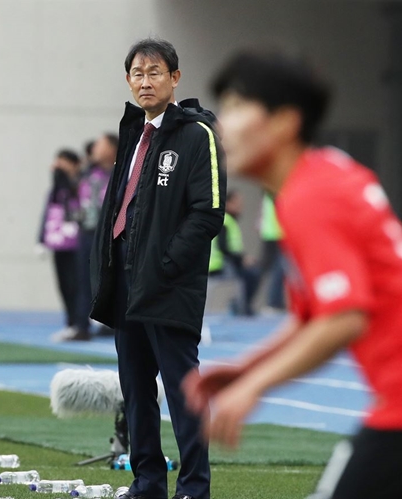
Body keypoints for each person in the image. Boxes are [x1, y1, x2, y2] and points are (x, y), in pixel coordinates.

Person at [182, 49, 402, 499]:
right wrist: (245, 368)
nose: (223, 124)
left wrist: (254, 388)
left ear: (284, 122)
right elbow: (313, 317)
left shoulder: (308, 197)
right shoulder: (326, 172)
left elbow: (345, 318)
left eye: (237, 107)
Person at [90, 38, 226, 499]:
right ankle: (147, 481)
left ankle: (193, 487)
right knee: (135, 389)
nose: (145, 81)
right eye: (137, 73)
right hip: (125, 280)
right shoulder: (132, 131)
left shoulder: (197, 134)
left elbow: (208, 212)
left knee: (182, 389)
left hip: (169, 284)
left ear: (175, 78)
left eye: (155, 72)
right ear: (128, 80)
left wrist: (167, 264)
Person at [63, 133, 118, 341]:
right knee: (82, 278)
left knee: (110, 278)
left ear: (112, 148)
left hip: (110, 231)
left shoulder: (119, 171)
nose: (95, 148)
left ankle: (110, 322)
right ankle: (81, 325)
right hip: (87, 231)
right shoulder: (88, 173)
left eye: (100, 145)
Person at [38, 149, 82, 340]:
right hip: (59, 243)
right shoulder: (56, 189)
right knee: (63, 284)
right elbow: (47, 213)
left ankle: (80, 322)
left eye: (63, 162)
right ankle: (71, 321)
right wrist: (41, 239)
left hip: (77, 244)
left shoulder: (82, 184)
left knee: (77, 285)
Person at [208, 189, 259, 316]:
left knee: (253, 270)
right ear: (229, 203)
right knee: (252, 273)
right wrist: (242, 260)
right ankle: (241, 307)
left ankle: (239, 305)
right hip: (219, 265)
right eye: (237, 203)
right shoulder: (224, 221)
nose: (240, 206)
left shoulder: (230, 221)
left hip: (226, 263)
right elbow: (223, 247)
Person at [257, 192, 286, 312]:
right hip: (277, 234)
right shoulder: (275, 194)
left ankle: (273, 302)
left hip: (269, 234)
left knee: (268, 268)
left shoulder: (267, 196)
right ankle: (274, 302)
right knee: (278, 269)